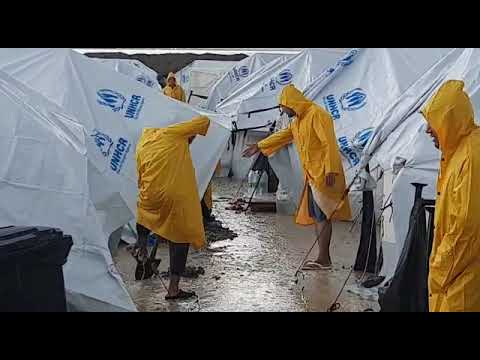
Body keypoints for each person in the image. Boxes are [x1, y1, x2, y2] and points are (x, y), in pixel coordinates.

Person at [243, 85, 351, 270]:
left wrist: (331, 170)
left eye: (282, 106)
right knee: (319, 217)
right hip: (313, 176)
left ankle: (324, 259)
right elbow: (283, 136)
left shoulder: (317, 114)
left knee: (323, 216)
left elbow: (329, 142)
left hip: (324, 175)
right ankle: (323, 258)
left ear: (291, 103)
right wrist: (259, 146)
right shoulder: (298, 121)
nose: (282, 111)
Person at [135, 116, 210, 300]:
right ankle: (173, 289)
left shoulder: (143, 143)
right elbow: (204, 121)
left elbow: (140, 175)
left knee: (147, 215)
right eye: (191, 138)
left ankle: (142, 248)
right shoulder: (173, 133)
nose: (191, 140)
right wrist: (187, 123)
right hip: (173, 196)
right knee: (180, 237)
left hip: (149, 196)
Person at [421, 80, 480, 312]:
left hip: (462, 282)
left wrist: (438, 272)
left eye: (432, 123)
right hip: (457, 277)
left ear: (449, 121)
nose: (427, 130)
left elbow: (466, 228)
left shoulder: (472, 157)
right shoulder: (459, 151)